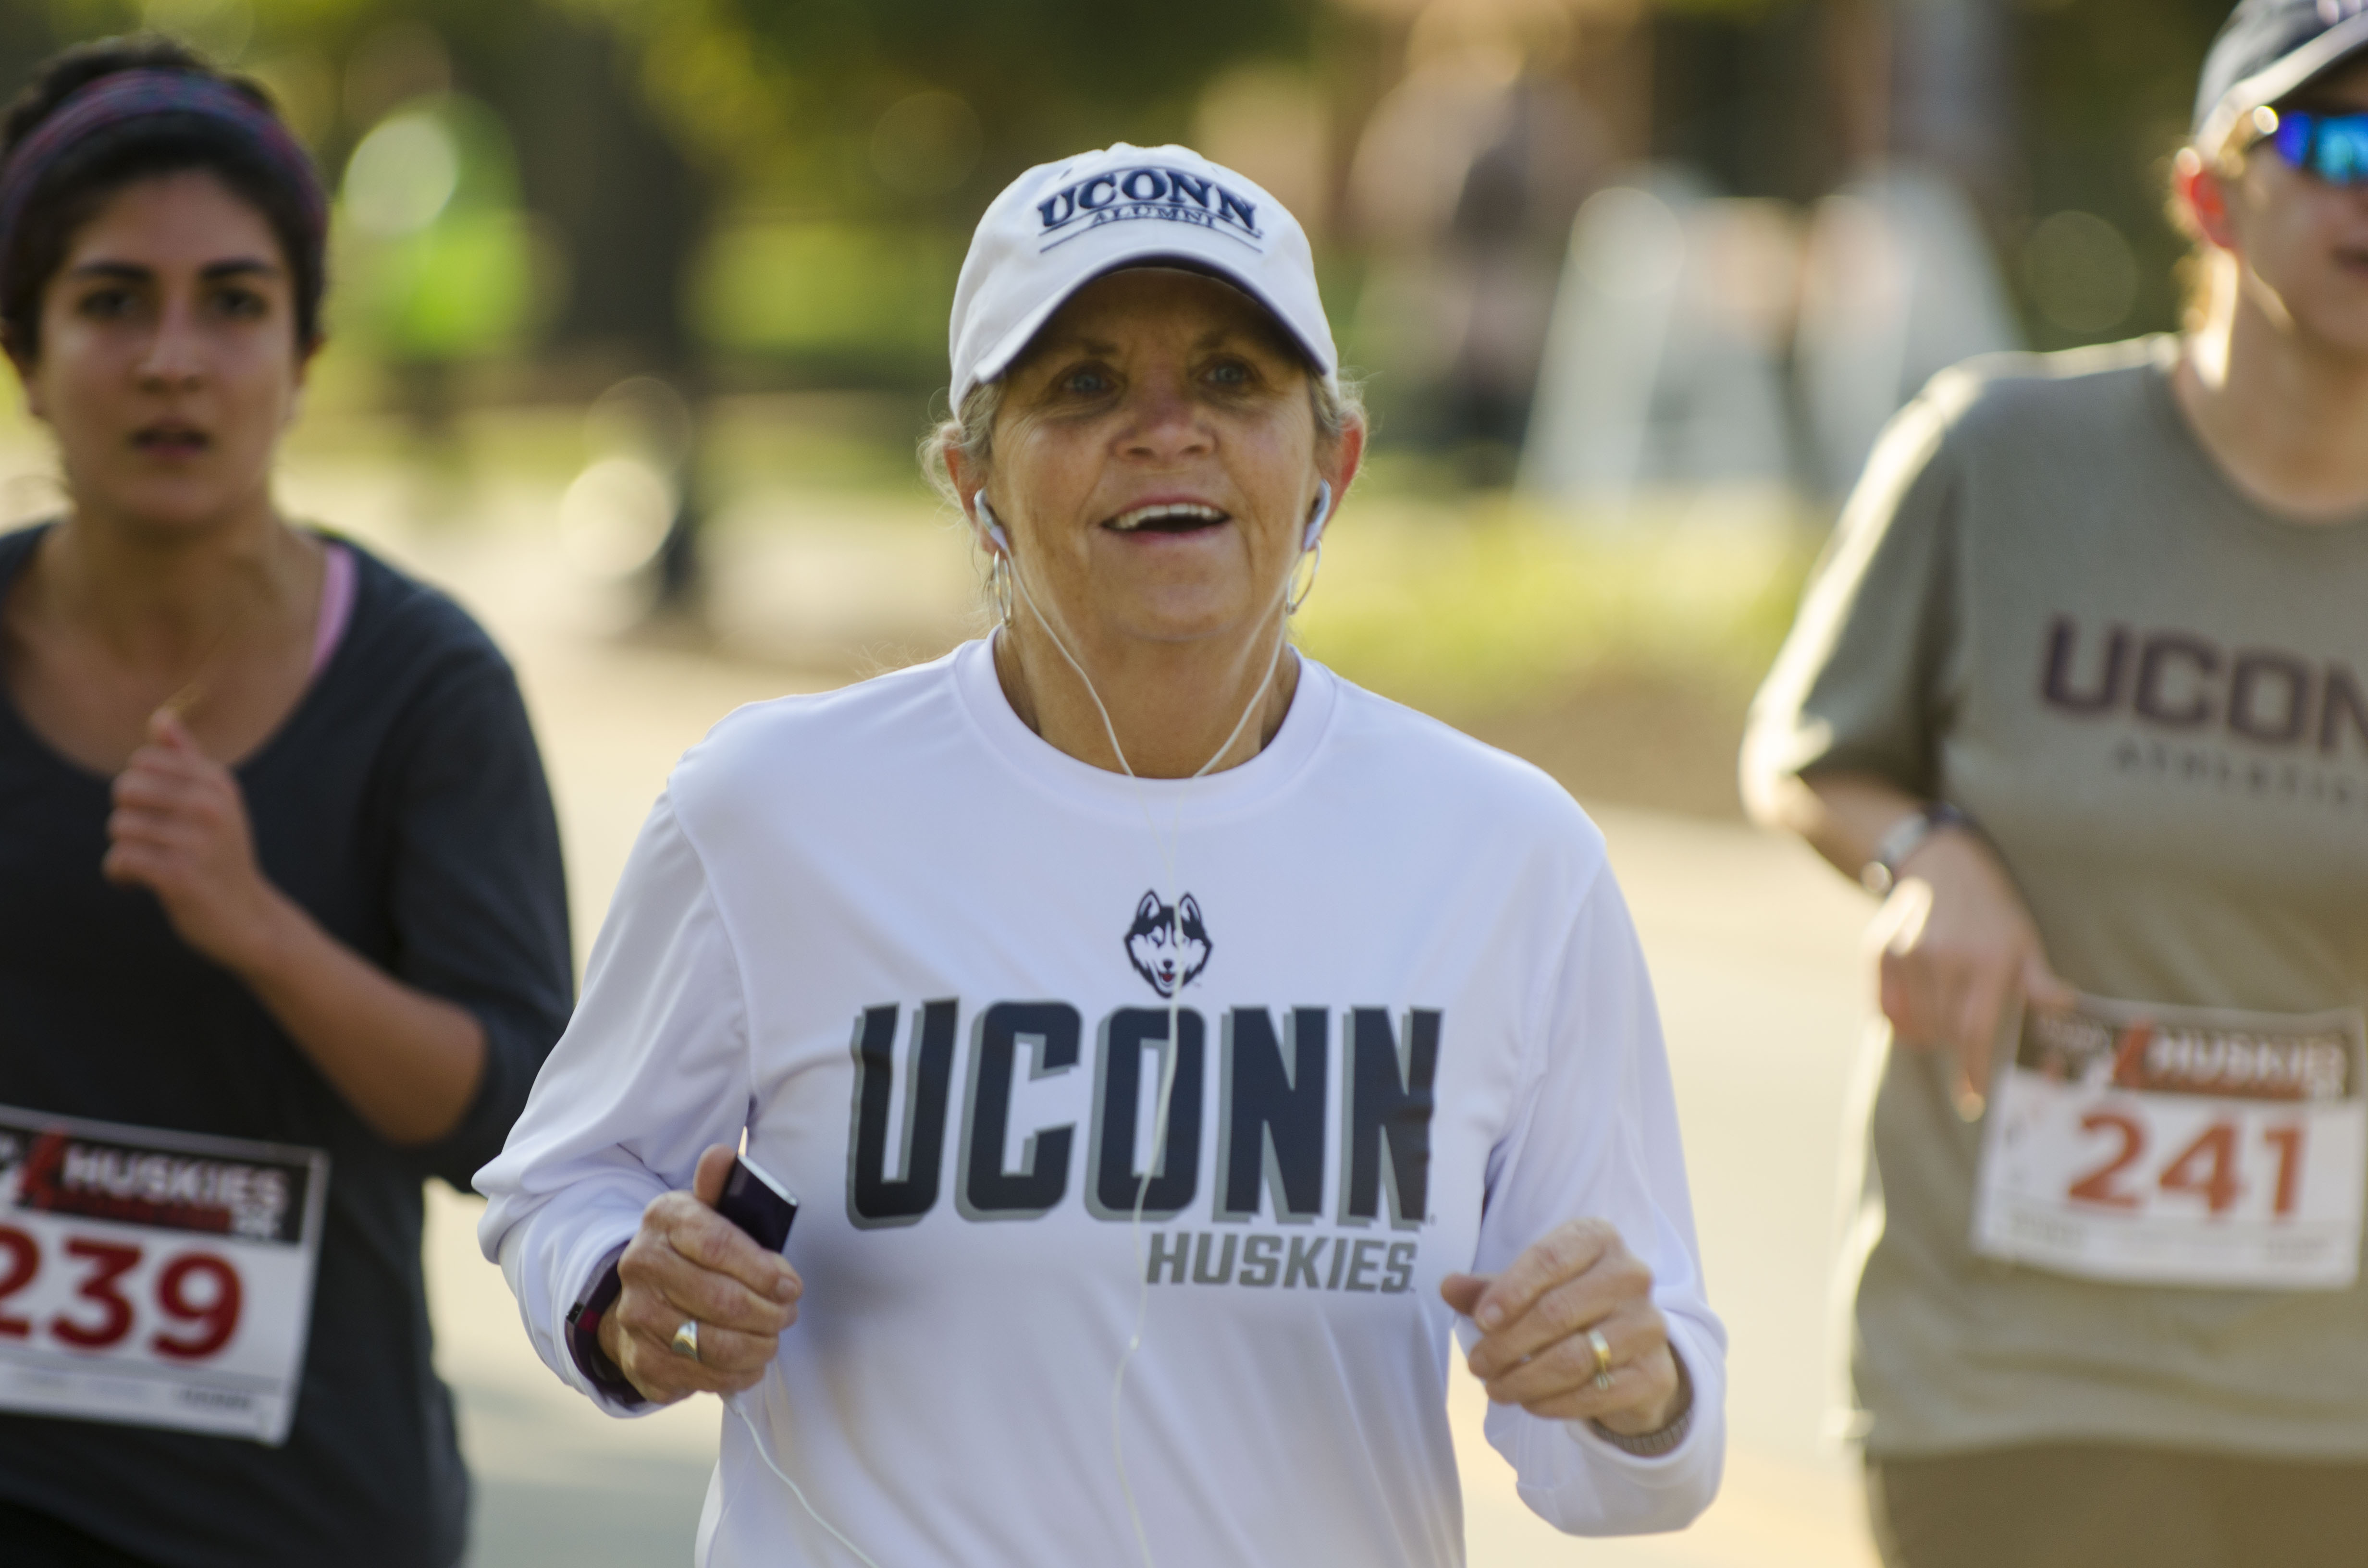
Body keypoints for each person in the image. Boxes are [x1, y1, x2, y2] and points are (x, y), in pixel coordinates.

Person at [477, 142, 1723, 1565]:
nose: (1166, 431)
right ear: (972, 480)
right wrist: (623, 1306)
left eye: (1233, 381)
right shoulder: (775, 808)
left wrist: (1631, 1382)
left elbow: (1638, 1459)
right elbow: (564, 1187)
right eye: (1081, 385)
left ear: (1335, 461)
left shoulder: (1509, 855)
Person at [1742, 4, 2368, 1565]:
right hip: (2013, 1372)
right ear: (2211, 195)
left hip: (2334, 1392)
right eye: (2338, 143)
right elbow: (1809, 754)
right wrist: (1931, 851)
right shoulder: (2000, 455)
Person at [0, 37, 571, 1568]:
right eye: (112, 301)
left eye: (234, 304)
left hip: (297, 1517)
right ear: (28, 352)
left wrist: (260, 929)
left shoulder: (424, 687)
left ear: (304, 355)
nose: (175, 357)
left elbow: (517, 1116)